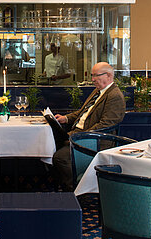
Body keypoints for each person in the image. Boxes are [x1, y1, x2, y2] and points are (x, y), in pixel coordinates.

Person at [51, 62, 126, 191]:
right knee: (50, 146)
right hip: (79, 134)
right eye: (92, 75)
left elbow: (106, 124)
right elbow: (82, 113)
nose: (92, 79)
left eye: (96, 76)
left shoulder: (115, 96)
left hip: (94, 141)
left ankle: (75, 191)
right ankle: (60, 187)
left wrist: (80, 136)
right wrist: (66, 118)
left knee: (60, 157)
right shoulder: (98, 92)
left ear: (108, 75)